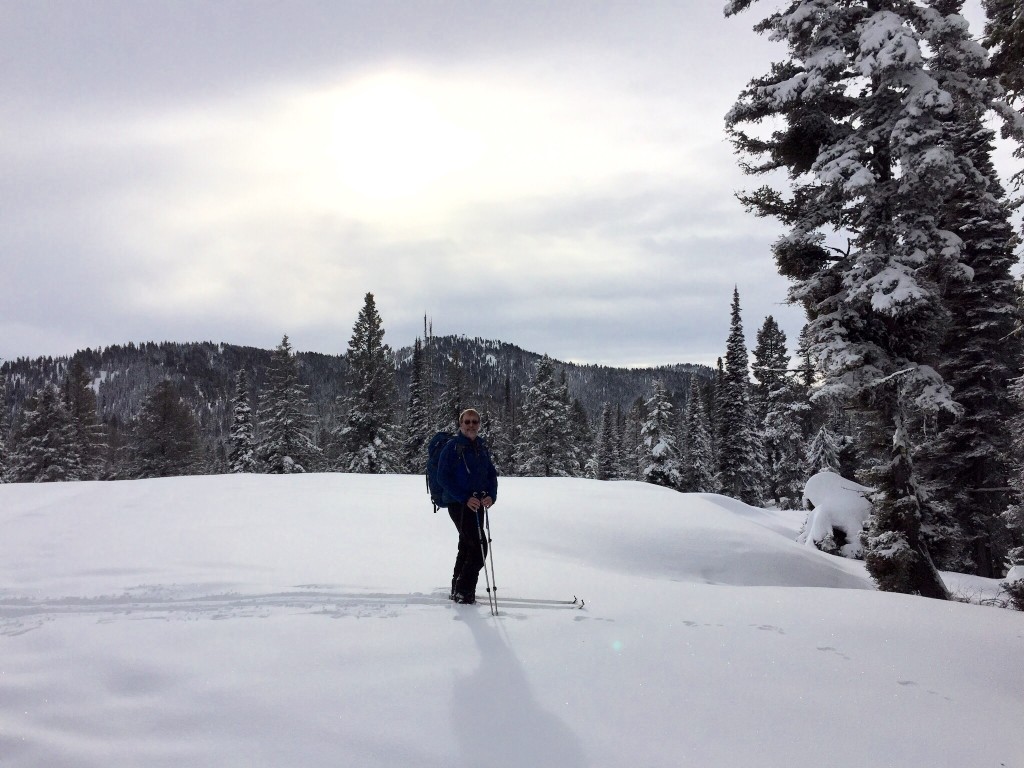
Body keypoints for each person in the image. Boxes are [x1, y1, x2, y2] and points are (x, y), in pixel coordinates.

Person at [438, 408, 498, 604]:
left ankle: (458, 586)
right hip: (460, 504)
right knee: (478, 546)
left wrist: (491, 495)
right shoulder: (452, 448)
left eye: (474, 421)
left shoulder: (480, 447)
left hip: (478, 503)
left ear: (479, 424)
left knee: (467, 545)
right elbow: (442, 477)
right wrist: (464, 497)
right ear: (460, 424)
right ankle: (464, 591)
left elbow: (491, 475)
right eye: (467, 422)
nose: (471, 425)